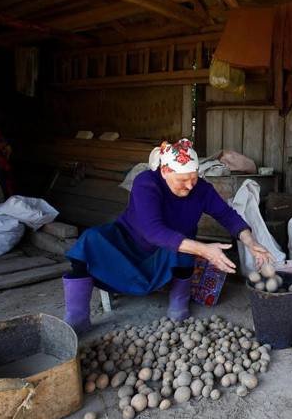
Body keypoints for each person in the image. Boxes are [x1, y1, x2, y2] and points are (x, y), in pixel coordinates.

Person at [62, 138, 273, 333]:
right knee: (89, 241)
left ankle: (178, 308)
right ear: (165, 171)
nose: (190, 186)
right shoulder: (146, 183)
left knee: (183, 244)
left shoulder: (201, 189)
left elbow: (227, 215)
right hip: (129, 242)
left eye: (194, 178)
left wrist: (250, 241)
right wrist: (205, 250)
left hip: (167, 250)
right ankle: (77, 318)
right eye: (183, 180)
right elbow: (153, 231)